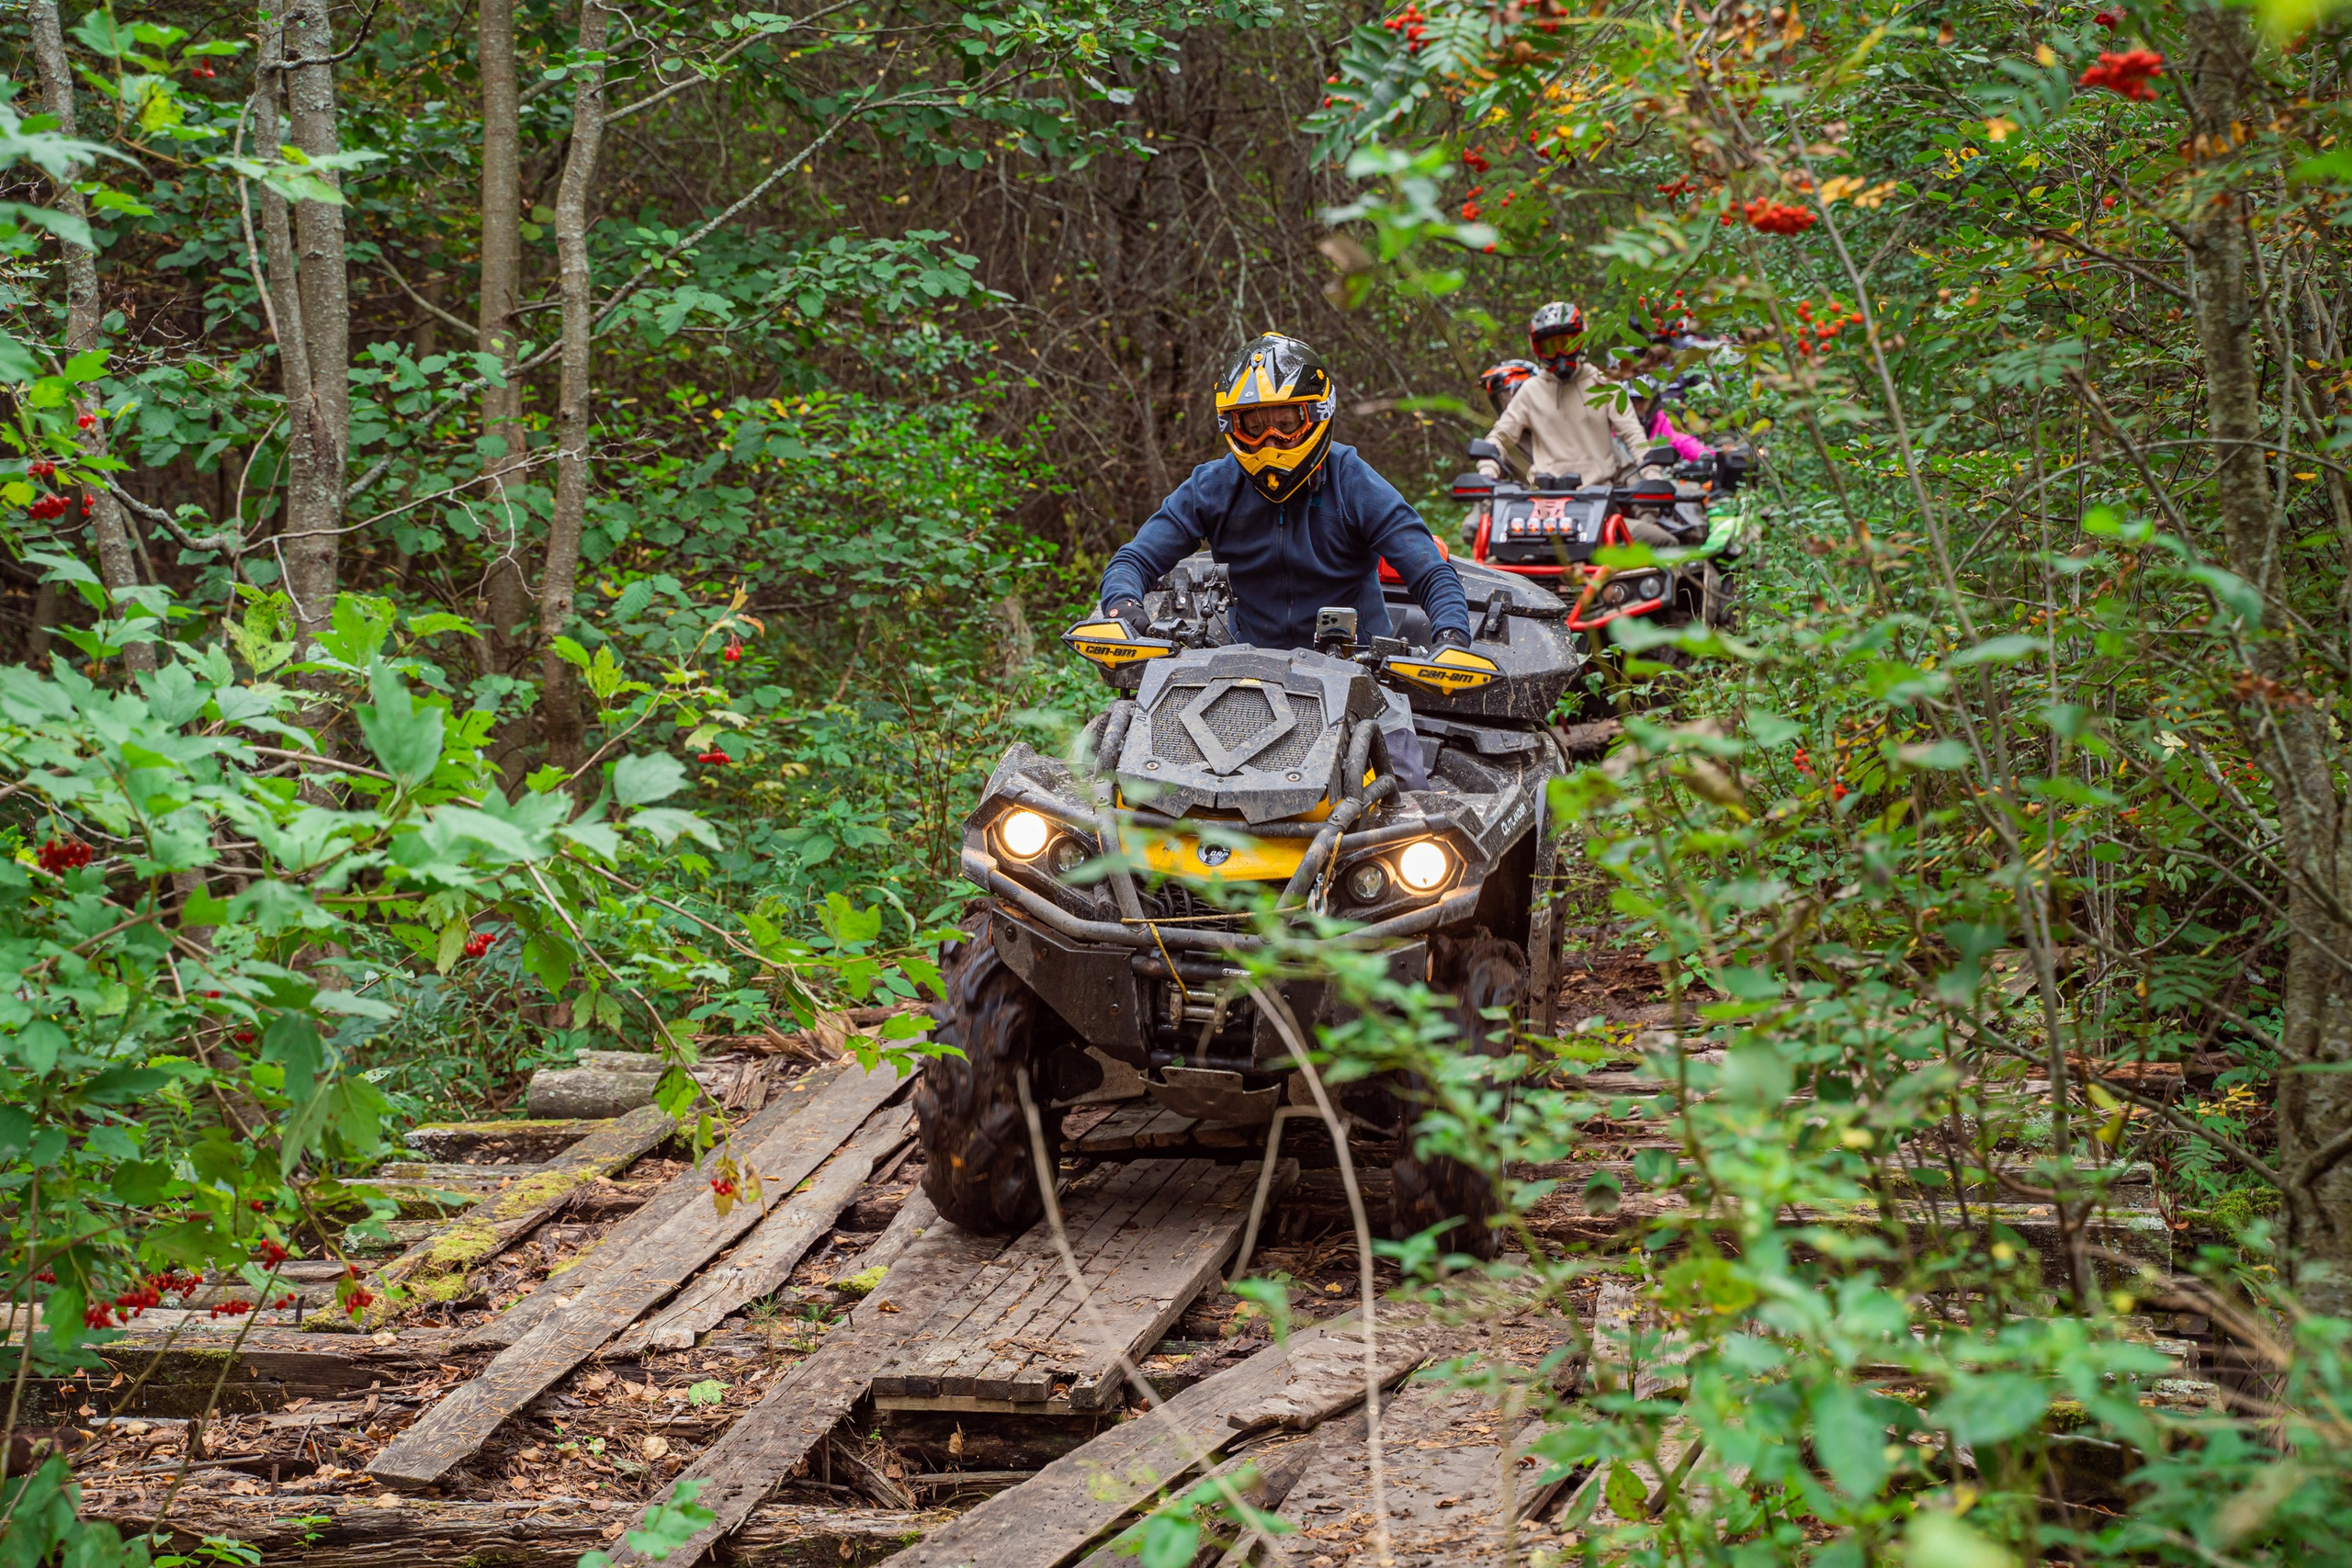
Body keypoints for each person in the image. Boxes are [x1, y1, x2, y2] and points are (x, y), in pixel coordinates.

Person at [1097, 332, 1472, 788]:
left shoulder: (1353, 480)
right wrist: (1122, 610)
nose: (1269, 439)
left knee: (1406, 796)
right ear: (1231, 427)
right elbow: (1133, 559)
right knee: (1140, 785)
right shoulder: (1213, 487)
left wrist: (1452, 636)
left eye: (1284, 422)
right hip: (1241, 676)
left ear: (1316, 414)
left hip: (1359, 679)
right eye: (1253, 425)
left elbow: (1429, 570)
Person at [1476, 301, 1648, 491]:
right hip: (1544, 498)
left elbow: (1633, 435)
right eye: (1550, 348)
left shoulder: (1605, 385)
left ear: (1581, 340)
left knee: (1647, 520)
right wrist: (1487, 471)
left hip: (1600, 494)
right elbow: (1501, 437)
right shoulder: (1531, 391)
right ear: (1537, 349)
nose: (1559, 354)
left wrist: (1652, 473)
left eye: (1566, 344)